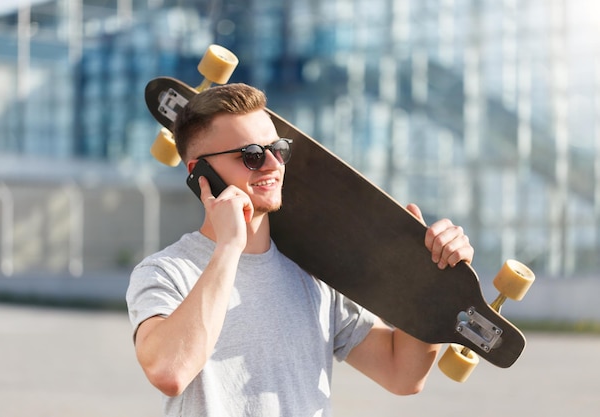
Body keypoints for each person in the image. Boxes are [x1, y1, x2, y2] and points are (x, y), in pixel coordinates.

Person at [126, 83, 474, 416]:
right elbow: (170, 372)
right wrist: (229, 247)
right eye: (250, 156)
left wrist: (429, 280)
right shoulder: (165, 272)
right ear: (199, 172)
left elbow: (403, 375)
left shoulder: (313, 271)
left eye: (278, 150)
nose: (273, 165)